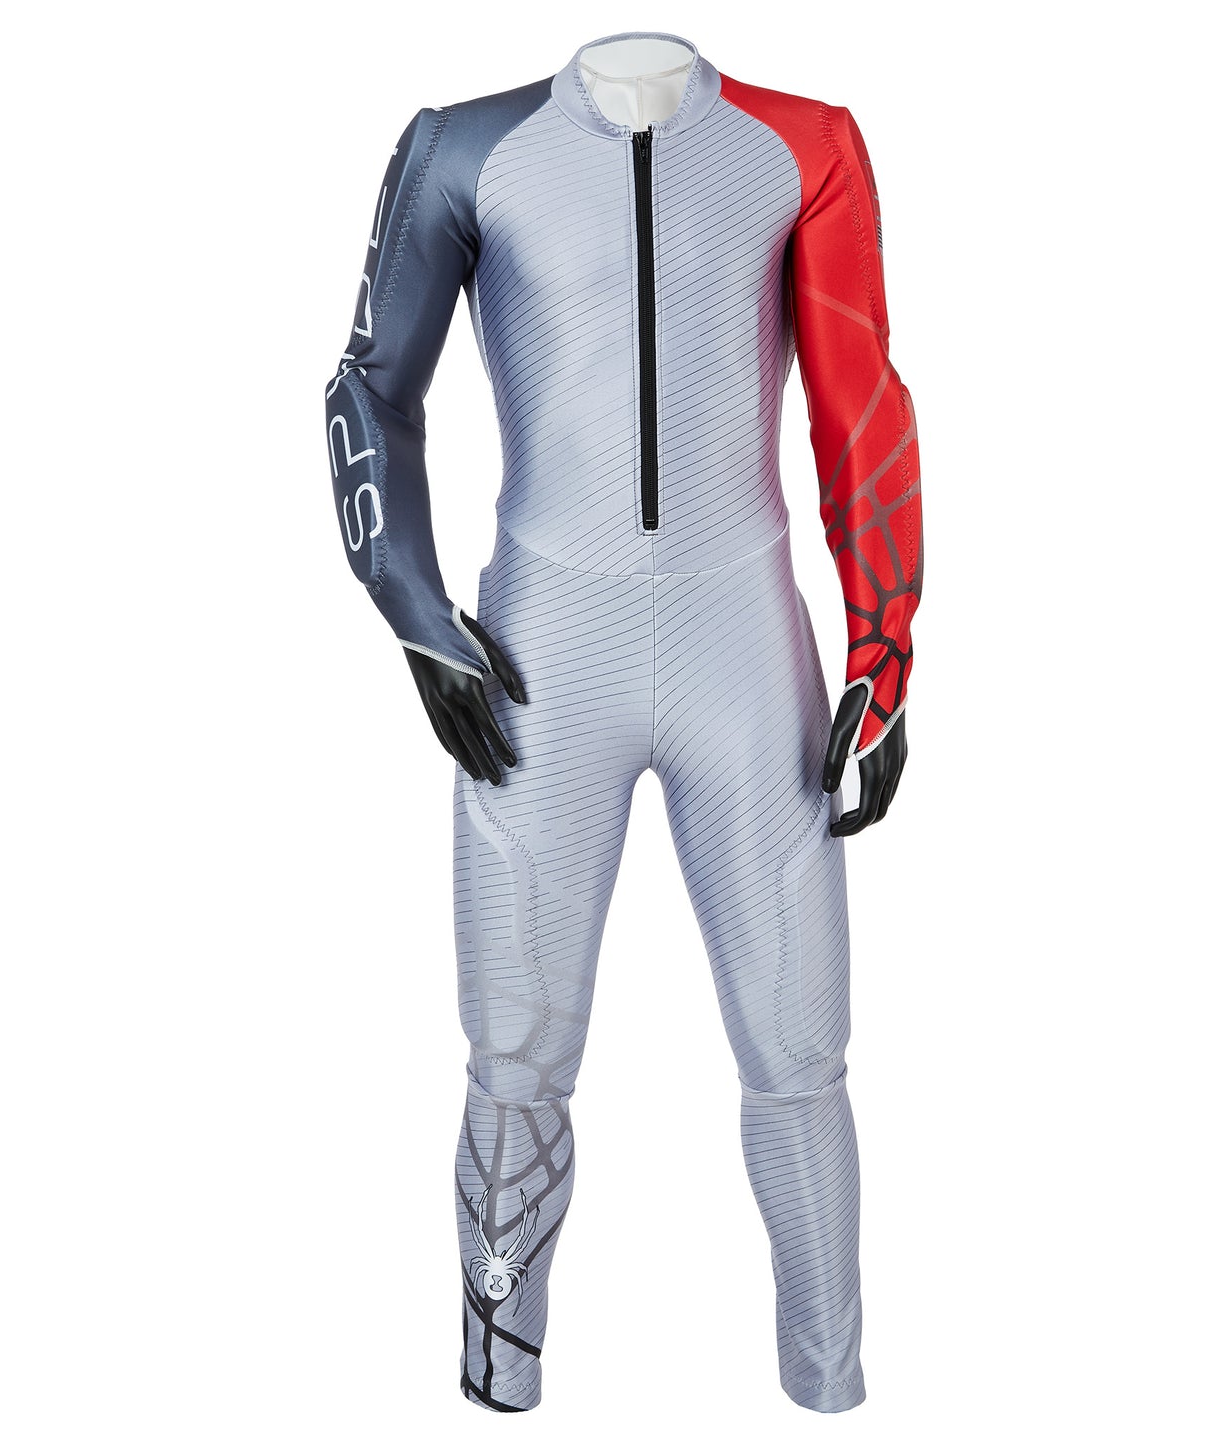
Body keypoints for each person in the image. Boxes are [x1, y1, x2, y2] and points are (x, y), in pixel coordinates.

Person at [324, 30, 922, 1413]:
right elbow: (368, 386)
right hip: (540, 651)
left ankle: (828, 1389)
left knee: (801, 1055)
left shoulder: (803, 145)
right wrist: (412, 609)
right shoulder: (464, 148)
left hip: (745, 650)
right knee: (514, 1060)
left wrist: (884, 649)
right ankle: (498, 1384)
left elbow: (859, 399)